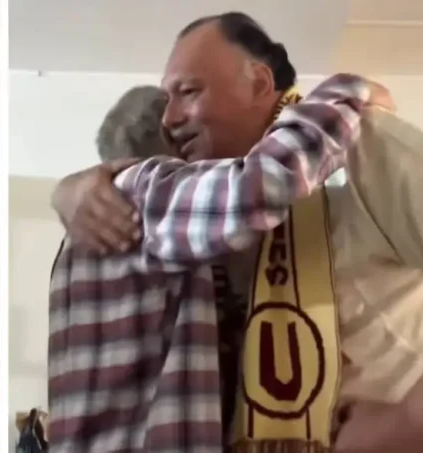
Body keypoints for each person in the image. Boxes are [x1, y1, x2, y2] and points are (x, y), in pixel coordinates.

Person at [48, 12, 408, 453]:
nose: (174, 118)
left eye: (188, 92)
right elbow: (262, 185)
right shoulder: (144, 200)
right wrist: (350, 91)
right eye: (170, 101)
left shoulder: (125, 226)